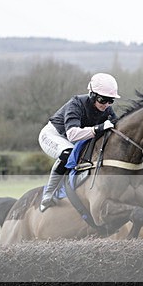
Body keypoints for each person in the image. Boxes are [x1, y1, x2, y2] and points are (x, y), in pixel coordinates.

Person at [38, 73, 120, 212]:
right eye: (102, 100)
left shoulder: (107, 109)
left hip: (74, 139)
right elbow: (72, 134)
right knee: (68, 153)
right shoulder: (76, 103)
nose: (106, 105)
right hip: (54, 135)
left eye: (110, 101)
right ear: (92, 95)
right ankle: (49, 193)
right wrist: (98, 128)